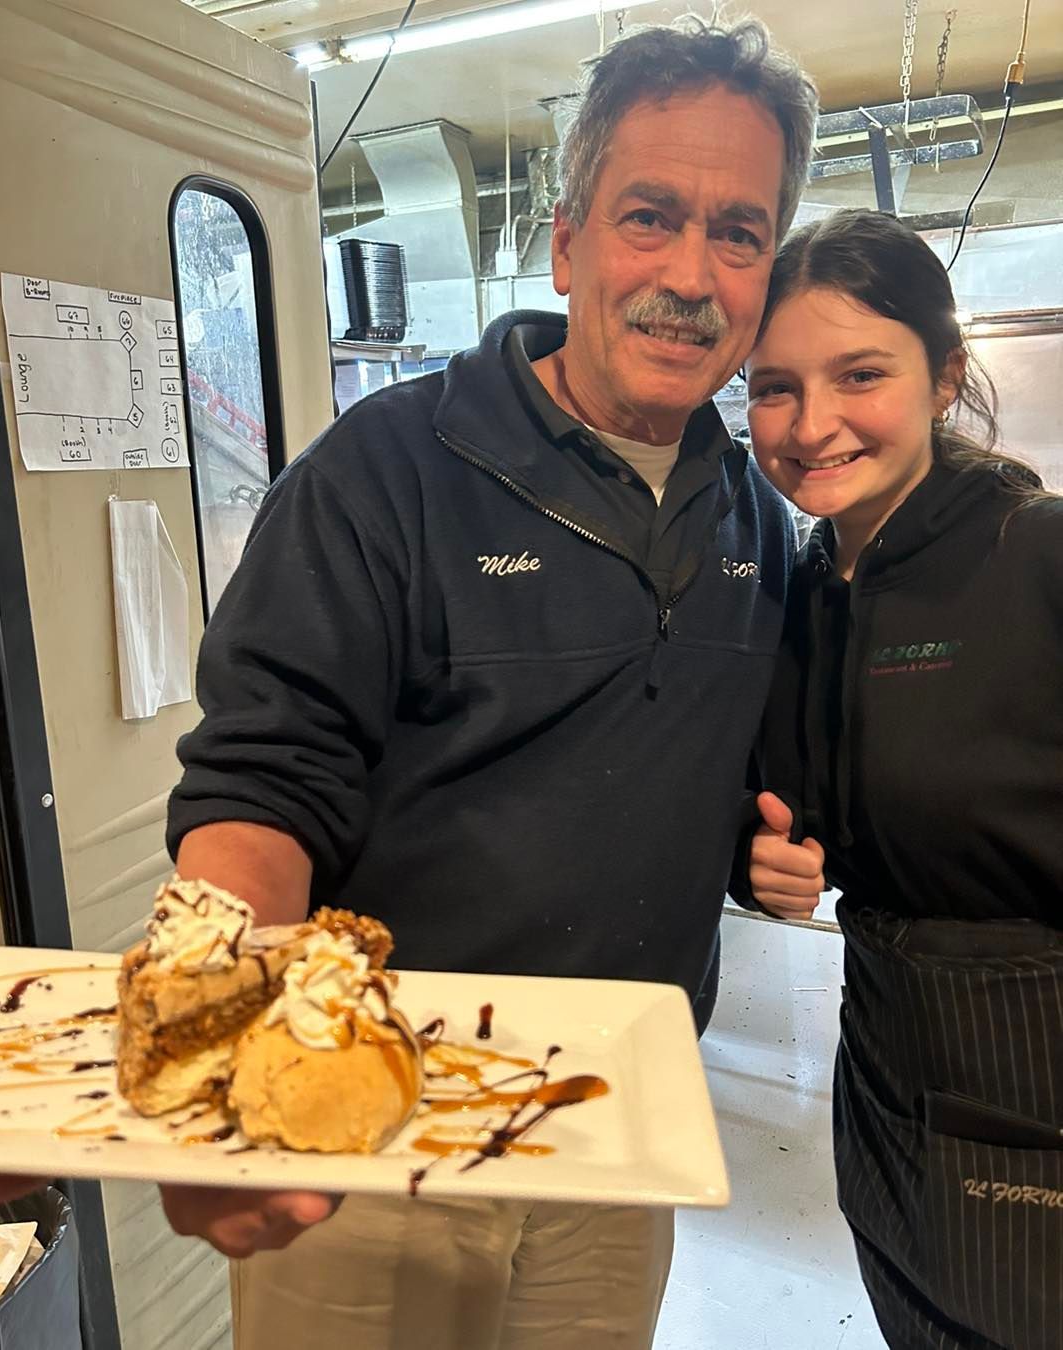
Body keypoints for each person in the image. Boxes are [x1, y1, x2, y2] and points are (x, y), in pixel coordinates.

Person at [152, 16, 819, 1350]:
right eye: (650, 216)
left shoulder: (758, 520)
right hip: (372, 1121)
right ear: (568, 240)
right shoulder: (378, 476)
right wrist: (196, 1039)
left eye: (738, 233)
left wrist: (762, 850)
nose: (690, 274)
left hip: (612, 1122)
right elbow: (262, 792)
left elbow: (712, 771)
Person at [738, 207, 1063, 1350]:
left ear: (944, 379)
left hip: (1037, 1065)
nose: (811, 424)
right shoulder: (803, 589)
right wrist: (763, 861)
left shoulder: (1038, 555)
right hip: (881, 1063)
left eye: (859, 374)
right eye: (773, 387)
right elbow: (799, 810)